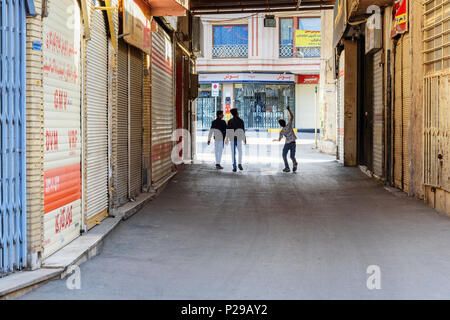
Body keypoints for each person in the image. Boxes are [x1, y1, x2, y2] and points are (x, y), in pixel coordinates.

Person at [273, 106, 298, 173]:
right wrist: (289, 110)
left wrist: (275, 140)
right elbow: (292, 117)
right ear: (284, 122)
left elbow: (279, 139)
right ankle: (294, 162)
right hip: (293, 142)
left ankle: (287, 167)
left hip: (287, 144)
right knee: (292, 156)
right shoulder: (289, 125)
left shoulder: (282, 131)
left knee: (284, 155)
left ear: (280, 125)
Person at [226, 108, 246, 172]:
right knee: (240, 151)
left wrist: (227, 138)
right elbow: (243, 130)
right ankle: (239, 163)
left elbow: (228, 131)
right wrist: (244, 138)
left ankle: (234, 167)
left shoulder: (229, 121)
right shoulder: (241, 121)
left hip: (232, 138)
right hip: (239, 138)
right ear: (237, 113)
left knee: (233, 153)